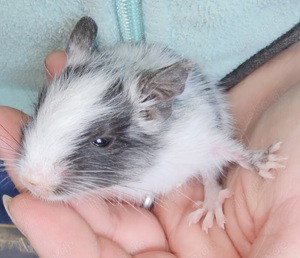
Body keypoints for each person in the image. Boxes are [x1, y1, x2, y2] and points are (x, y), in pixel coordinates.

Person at [1, 41, 300, 257]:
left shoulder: (178, 130)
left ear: (153, 112)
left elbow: (213, 143)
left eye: (101, 142)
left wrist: (253, 158)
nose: (35, 178)